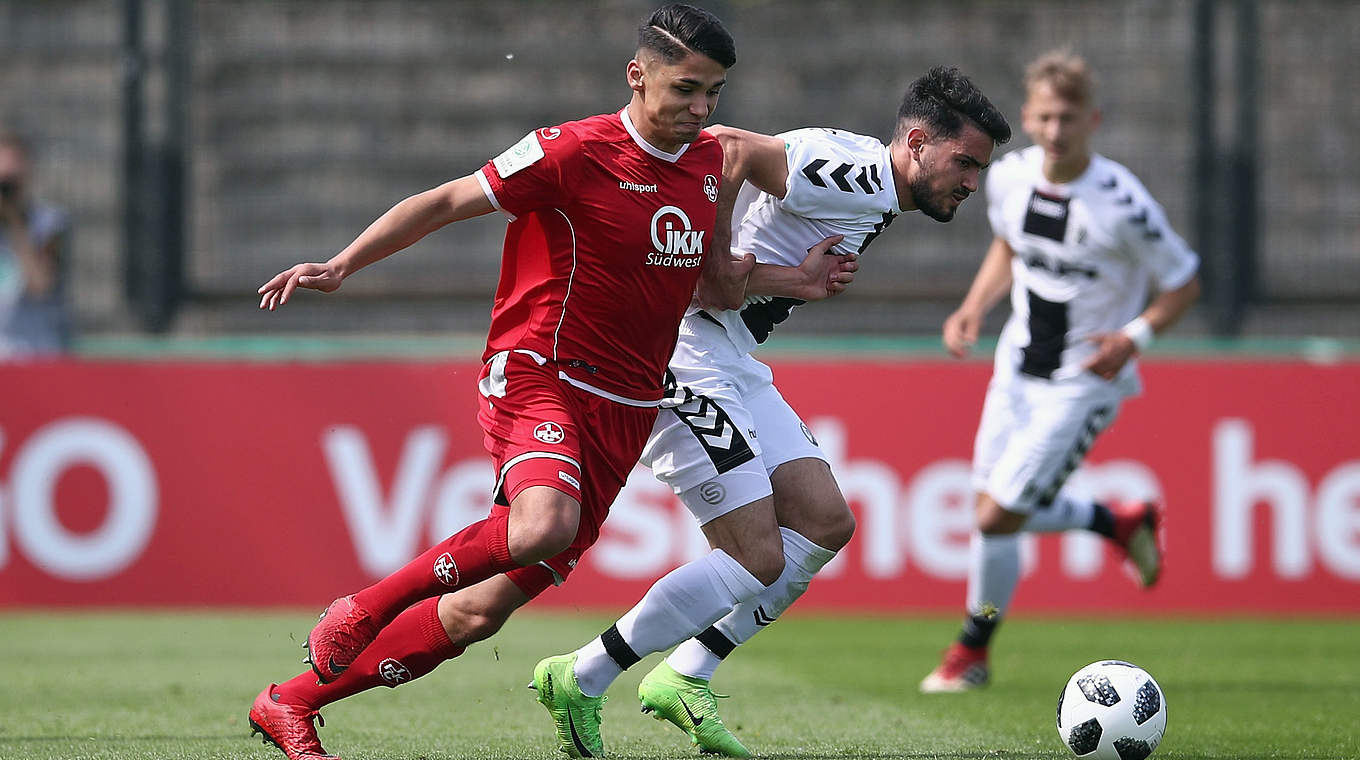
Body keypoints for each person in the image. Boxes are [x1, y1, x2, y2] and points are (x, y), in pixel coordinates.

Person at [242, 7, 844, 760]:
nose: (701, 109)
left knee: (477, 615)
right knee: (543, 527)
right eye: (686, 89)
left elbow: (713, 287)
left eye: (714, 94)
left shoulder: (704, 167)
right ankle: (361, 609)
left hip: (628, 408)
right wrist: (342, 265)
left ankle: (290, 702)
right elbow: (450, 199)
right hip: (540, 373)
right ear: (638, 74)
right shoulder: (574, 150)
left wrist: (801, 280)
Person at [532, 66, 1012, 758]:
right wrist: (721, 259)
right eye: (964, 162)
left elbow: (745, 264)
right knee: (754, 553)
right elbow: (725, 146)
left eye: (980, 169)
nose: (971, 182)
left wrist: (789, 281)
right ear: (915, 143)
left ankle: (688, 675)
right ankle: (581, 675)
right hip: (679, 351)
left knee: (825, 522)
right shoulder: (854, 172)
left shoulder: (873, 190)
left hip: (727, 352)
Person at [918, 50, 1201, 693]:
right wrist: (972, 307)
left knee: (994, 516)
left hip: (1085, 380)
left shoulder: (1122, 203)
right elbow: (1009, 246)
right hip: (1018, 365)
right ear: (1027, 116)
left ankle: (971, 644)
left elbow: (1184, 283)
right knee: (993, 513)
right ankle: (1110, 527)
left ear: (1091, 120)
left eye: (1068, 118)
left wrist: (1133, 337)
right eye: (1044, 117)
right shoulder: (1010, 177)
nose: (1055, 130)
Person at [0, 130, 71, 358]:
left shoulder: (50, 224)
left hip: (35, 354)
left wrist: (15, 224)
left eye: (10, 182)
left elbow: (40, 285)